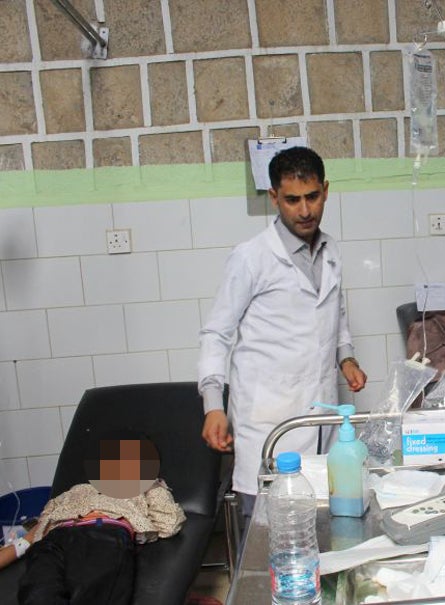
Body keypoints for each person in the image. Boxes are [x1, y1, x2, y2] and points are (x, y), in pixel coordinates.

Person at [198, 146, 367, 517]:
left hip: (320, 410)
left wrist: (347, 357)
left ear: (325, 190)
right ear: (274, 197)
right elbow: (216, 333)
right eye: (292, 200)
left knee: (321, 520)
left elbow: (335, 312)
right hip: (269, 419)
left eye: (312, 197)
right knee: (266, 533)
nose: (304, 210)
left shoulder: (330, 249)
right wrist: (213, 405)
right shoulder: (251, 257)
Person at [0, 436, 184, 605]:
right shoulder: (78, 488)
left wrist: (153, 486)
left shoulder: (144, 489)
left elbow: (169, 523)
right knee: (37, 593)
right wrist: (24, 543)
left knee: (95, 593)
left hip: (103, 533)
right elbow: (46, 518)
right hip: (55, 538)